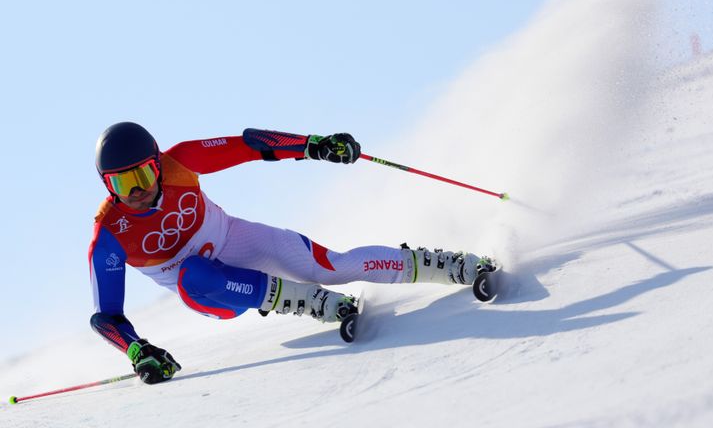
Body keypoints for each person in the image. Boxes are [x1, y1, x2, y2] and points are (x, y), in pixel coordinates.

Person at [89, 122, 496, 384]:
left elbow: (248, 145)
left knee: (335, 266)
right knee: (192, 273)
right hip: (212, 294)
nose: (137, 192)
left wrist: (314, 145)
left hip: (237, 240)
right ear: (108, 186)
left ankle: (450, 266)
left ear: (157, 165)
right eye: (122, 184)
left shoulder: (181, 162)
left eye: (142, 175)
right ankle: (312, 303)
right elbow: (105, 316)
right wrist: (138, 350)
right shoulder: (109, 233)